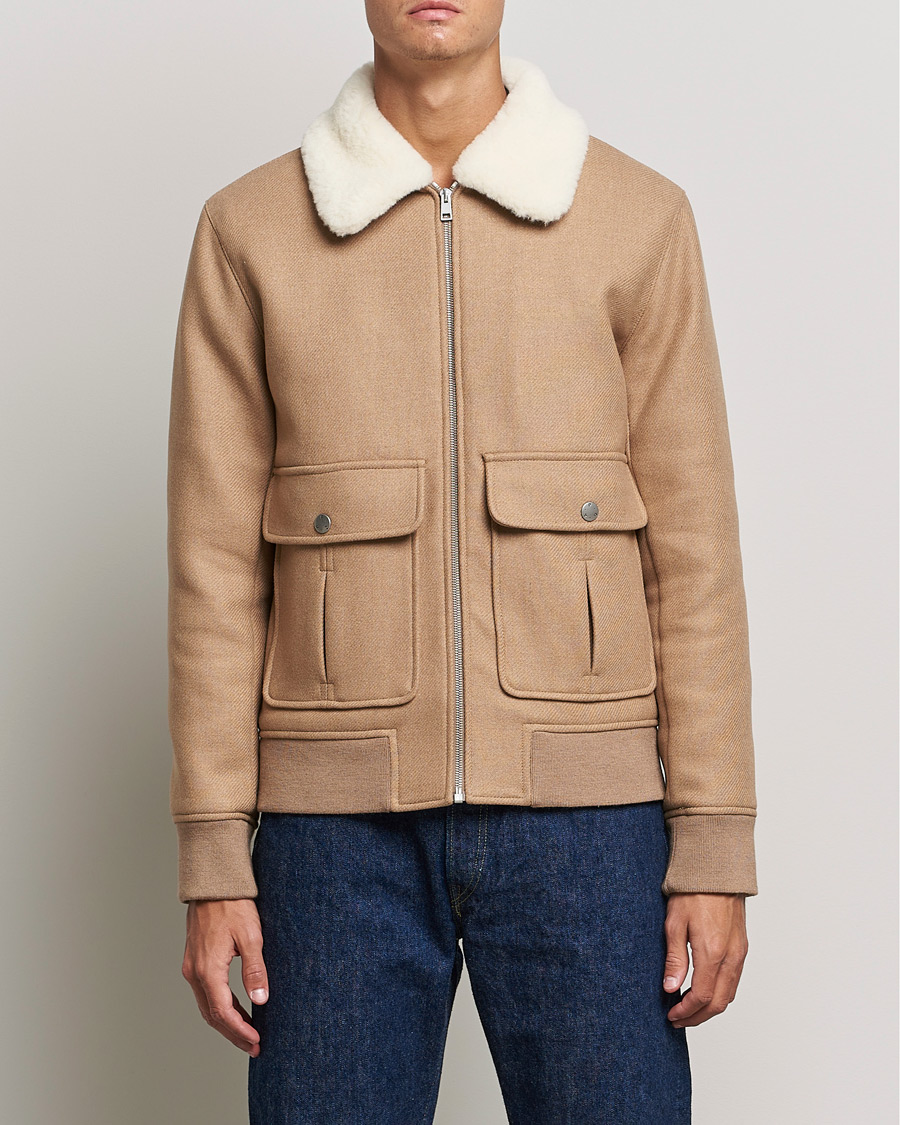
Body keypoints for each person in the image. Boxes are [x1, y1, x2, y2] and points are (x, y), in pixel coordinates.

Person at [167, 1, 758, 1121]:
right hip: (331, 839)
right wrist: (212, 858)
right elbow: (212, 571)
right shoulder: (250, 232)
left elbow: (695, 557)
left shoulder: (637, 218)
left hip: (592, 825)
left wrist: (715, 842)